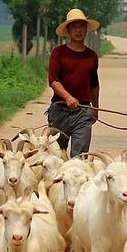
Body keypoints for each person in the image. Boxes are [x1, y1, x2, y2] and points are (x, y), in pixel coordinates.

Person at [46, 8, 100, 157]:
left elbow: (94, 85)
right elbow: (53, 80)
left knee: (80, 157)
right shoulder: (58, 53)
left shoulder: (91, 56)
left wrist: (95, 108)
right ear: (68, 30)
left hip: (83, 111)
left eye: (82, 26)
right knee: (56, 156)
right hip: (59, 111)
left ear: (86, 29)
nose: (78, 30)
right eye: (74, 27)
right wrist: (67, 97)